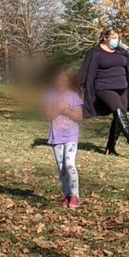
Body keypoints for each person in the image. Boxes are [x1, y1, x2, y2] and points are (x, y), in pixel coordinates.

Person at [77, 27, 129, 155]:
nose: (116, 41)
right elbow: (85, 72)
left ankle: (110, 147)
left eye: (117, 38)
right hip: (104, 87)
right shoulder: (95, 53)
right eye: (114, 38)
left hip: (123, 88)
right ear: (105, 38)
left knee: (119, 117)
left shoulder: (120, 52)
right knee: (118, 110)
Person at [45, 68, 84, 209]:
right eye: (58, 81)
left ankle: (75, 195)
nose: (60, 83)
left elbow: (79, 117)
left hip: (71, 137)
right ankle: (66, 195)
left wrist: (65, 110)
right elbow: (48, 115)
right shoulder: (50, 96)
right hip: (56, 137)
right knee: (61, 169)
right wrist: (58, 108)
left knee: (69, 165)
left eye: (64, 81)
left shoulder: (74, 96)